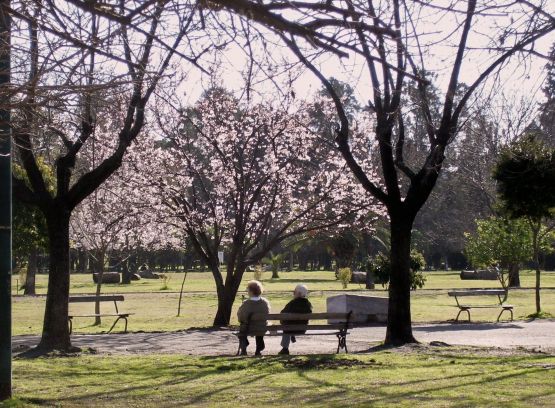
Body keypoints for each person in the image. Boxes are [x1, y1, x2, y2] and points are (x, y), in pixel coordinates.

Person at [237, 280, 270, 356]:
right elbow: (266, 315)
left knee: (242, 329)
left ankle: (244, 348)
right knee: (259, 329)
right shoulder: (265, 303)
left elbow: (241, 318)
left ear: (251, 292)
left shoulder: (246, 303)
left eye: (248, 289)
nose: (247, 291)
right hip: (261, 328)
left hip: (248, 328)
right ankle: (258, 349)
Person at [278, 284, 312, 355]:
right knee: (288, 325)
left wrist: (282, 322)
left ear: (298, 293)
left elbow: (282, 314)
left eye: (294, 292)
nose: (293, 293)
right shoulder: (308, 304)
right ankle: (291, 336)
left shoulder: (292, 303)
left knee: (286, 326)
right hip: (302, 329)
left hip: (289, 329)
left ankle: (285, 349)